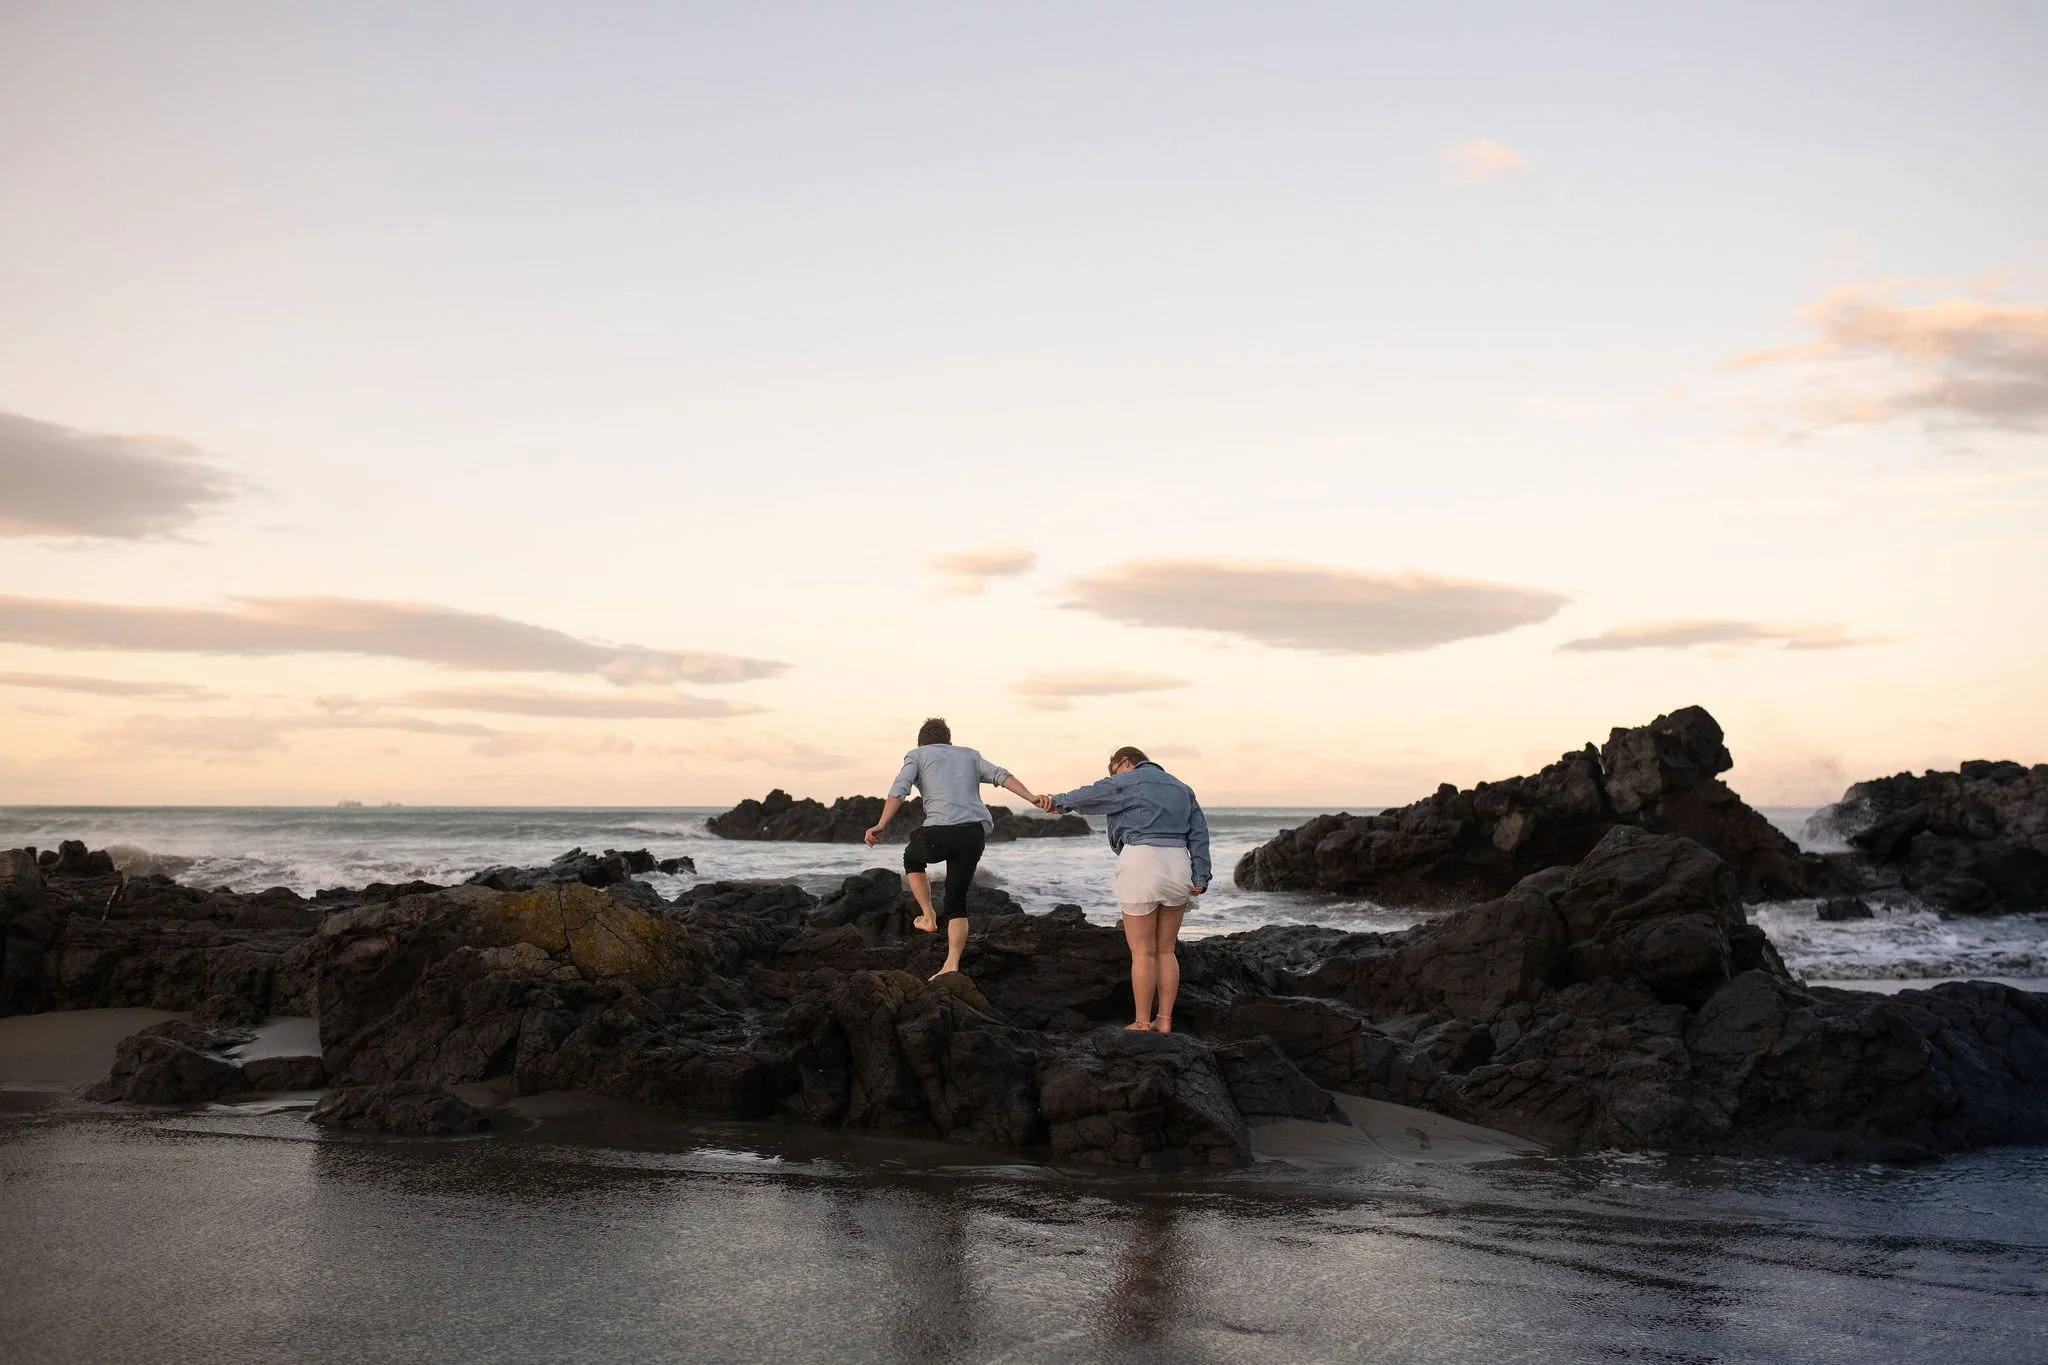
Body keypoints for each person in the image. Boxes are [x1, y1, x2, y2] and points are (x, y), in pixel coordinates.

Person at [1039, 746, 1210, 1032]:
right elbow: (1199, 834)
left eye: (1114, 771)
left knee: (1142, 952)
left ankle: (1142, 1022)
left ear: (1125, 762)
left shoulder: (1128, 780)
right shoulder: (1183, 788)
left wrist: (1055, 802)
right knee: (1166, 951)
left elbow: (1090, 794)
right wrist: (1201, 875)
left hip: (1141, 860)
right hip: (1178, 863)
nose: (1114, 778)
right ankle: (1165, 1020)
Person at [865, 717, 1045, 978]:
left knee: (912, 859)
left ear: (921, 741)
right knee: (957, 901)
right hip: (973, 833)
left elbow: (899, 790)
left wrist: (881, 824)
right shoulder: (969, 755)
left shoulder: (916, 755)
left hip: (939, 832)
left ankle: (928, 916)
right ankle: (951, 965)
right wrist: (1031, 797)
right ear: (948, 740)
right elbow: (1001, 776)